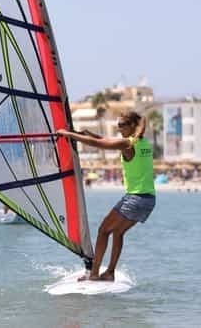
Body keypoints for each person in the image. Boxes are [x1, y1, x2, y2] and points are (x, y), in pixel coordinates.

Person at [57, 111, 155, 282]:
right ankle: (109, 272)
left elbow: (99, 144)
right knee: (117, 232)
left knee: (103, 231)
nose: (119, 129)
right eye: (118, 126)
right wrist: (90, 134)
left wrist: (68, 134)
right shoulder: (144, 143)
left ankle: (94, 274)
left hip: (135, 198)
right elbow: (106, 140)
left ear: (133, 125)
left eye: (122, 125)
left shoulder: (127, 143)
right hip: (148, 200)